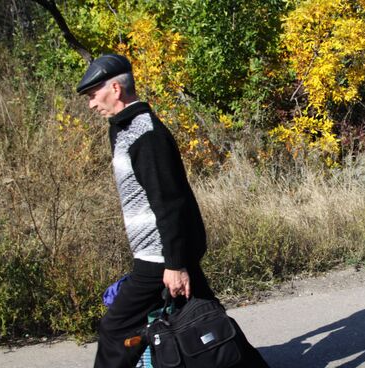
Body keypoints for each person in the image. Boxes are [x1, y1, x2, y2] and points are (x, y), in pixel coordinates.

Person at [76, 54, 269, 367]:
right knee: (206, 313)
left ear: (115, 88)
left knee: (114, 329)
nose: (90, 104)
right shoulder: (121, 129)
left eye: (93, 94)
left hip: (159, 257)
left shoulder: (146, 133)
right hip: (165, 252)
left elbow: (171, 201)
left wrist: (176, 264)